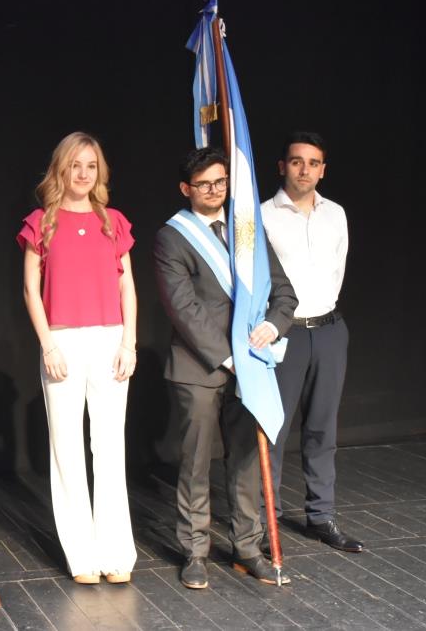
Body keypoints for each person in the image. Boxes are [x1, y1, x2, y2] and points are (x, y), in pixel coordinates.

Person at [154, 146, 298, 589]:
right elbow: (184, 310)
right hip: (202, 367)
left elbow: (283, 292)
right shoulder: (172, 237)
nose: (214, 190)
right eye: (204, 184)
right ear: (186, 189)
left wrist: (274, 326)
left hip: (251, 366)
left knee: (246, 461)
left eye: (220, 182)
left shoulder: (246, 230)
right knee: (196, 462)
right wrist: (229, 356)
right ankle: (194, 551)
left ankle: (247, 547)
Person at [17, 132, 138, 585]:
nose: (83, 174)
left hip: (110, 340)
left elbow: (127, 286)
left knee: (110, 448)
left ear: (99, 171)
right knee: (66, 448)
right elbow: (31, 289)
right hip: (63, 341)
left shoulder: (114, 222)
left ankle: (115, 554)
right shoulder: (40, 222)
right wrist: (48, 344)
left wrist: (129, 342)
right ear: (61, 170)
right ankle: (82, 555)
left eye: (91, 165)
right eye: (75, 165)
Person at [262, 131, 362, 552]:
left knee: (322, 428)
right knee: (274, 431)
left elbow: (336, 271)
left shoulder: (335, 213)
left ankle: (321, 515)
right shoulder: (262, 215)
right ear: (282, 166)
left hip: (329, 330)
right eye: (297, 161)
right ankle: (267, 521)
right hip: (284, 334)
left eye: (314, 163)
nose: (305, 170)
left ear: (323, 169)